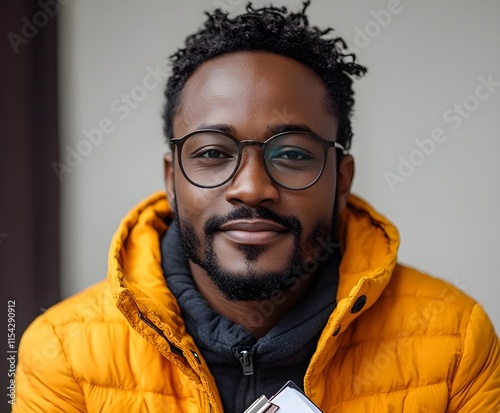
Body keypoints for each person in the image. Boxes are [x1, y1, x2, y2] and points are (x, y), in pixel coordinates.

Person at [14, 2, 500, 412]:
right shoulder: (62, 353)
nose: (250, 188)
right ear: (170, 179)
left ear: (342, 180)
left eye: (291, 153)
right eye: (211, 153)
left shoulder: (456, 340)